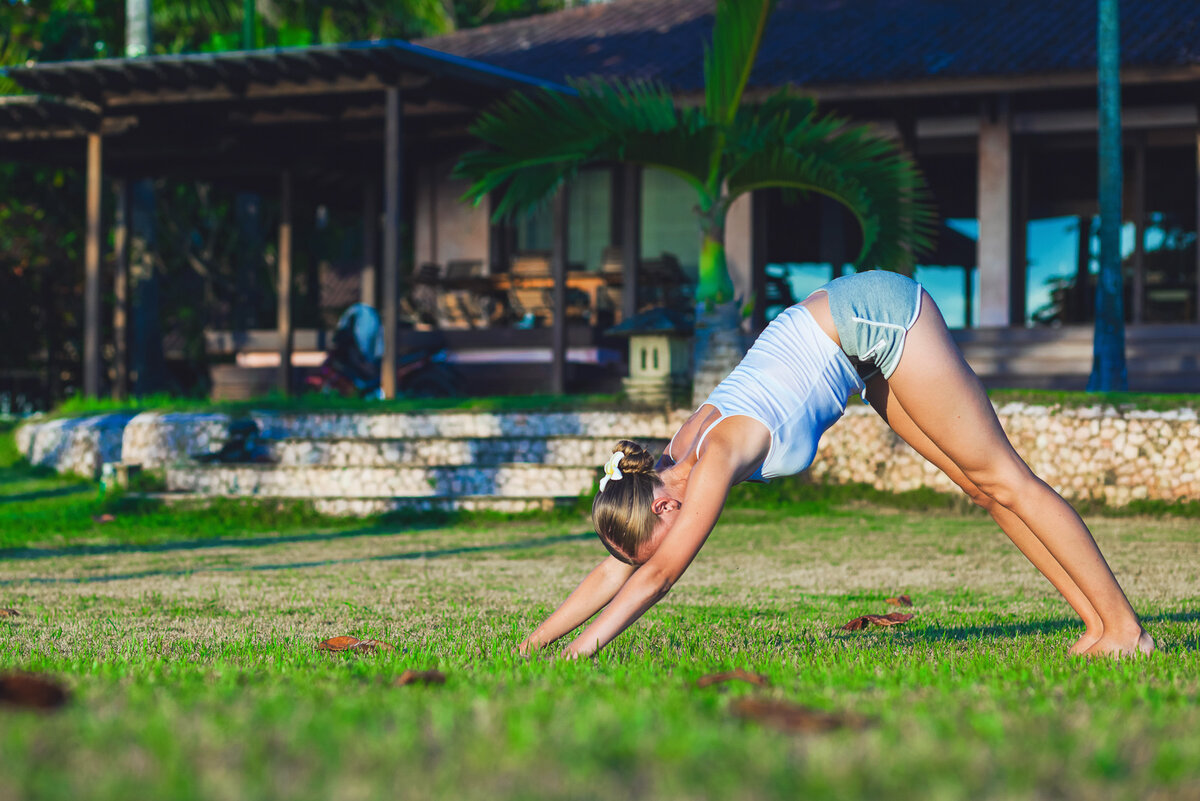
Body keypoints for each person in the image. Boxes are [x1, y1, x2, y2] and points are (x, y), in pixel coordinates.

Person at [519, 270, 1155, 660]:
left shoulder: (710, 457)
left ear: (659, 506)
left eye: (648, 542)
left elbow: (656, 577)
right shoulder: (663, 466)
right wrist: (533, 646)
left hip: (876, 314)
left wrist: (580, 655)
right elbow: (620, 569)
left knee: (1002, 477)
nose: (648, 554)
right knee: (983, 493)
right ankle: (1096, 625)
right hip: (848, 344)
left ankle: (1125, 629)